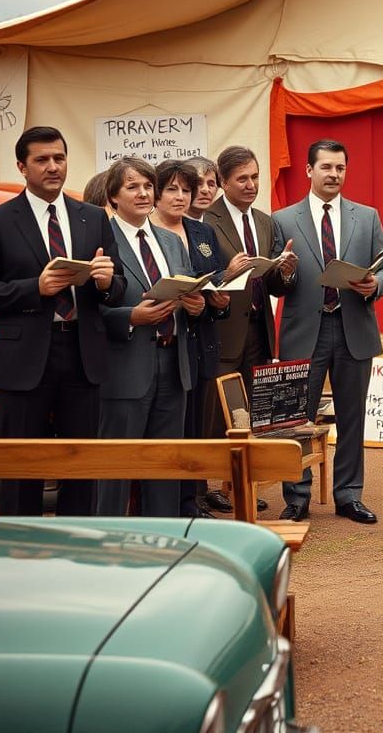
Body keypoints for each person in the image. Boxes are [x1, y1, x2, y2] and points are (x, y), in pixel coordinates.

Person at [0, 126, 126, 516]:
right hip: (25, 357)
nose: (53, 167)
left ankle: (78, 548)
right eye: (42, 160)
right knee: (22, 463)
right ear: (22, 167)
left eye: (59, 158)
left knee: (80, 462)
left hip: (82, 352)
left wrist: (108, 282)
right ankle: (21, 553)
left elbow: (118, 285)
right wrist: (33, 287)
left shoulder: (92, 218)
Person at [273, 139, 383, 523]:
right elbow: (275, 283)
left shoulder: (367, 216)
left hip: (353, 326)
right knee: (296, 417)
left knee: (353, 415)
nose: (334, 174)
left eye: (340, 168)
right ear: (309, 171)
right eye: (326, 167)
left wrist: (377, 284)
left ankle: (349, 495)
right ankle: (296, 496)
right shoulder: (283, 219)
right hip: (304, 330)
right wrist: (285, 271)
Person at [96, 157, 205, 517]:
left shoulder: (170, 241)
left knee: (166, 464)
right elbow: (87, 311)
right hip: (125, 365)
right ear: (113, 196)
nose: (143, 193)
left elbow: (187, 287)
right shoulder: (99, 240)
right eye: (133, 186)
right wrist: (131, 317)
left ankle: (164, 538)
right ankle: (109, 545)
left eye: (147, 185)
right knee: (117, 466)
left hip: (175, 363)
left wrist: (196, 305)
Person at [202, 146, 296, 512]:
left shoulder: (263, 221)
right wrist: (225, 277)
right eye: (242, 178)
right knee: (216, 414)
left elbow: (272, 284)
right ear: (222, 181)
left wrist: (284, 271)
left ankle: (237, 485)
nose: (251, 184)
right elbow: (200, 275)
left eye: (255, 177)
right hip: (222, 330)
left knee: (247, 415)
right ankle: (203, 487)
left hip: (259, 328)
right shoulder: (206, 221)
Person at [151, 159, 231, 518]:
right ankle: (159, 504)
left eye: (187, 189)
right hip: (158, 339)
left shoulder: (202, 233)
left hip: (200, 339)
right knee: (165, 428)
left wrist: (216, 302)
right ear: (155, 192)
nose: (182, 196)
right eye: (172, 189)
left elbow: (215, 282)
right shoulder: (145, 233)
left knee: (195, 423)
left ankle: (190, 500)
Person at [185, 156, 221, 220]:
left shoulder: (219, 224)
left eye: (211, 185)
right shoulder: (166, 226)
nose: (205, 190)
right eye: (198, 183)